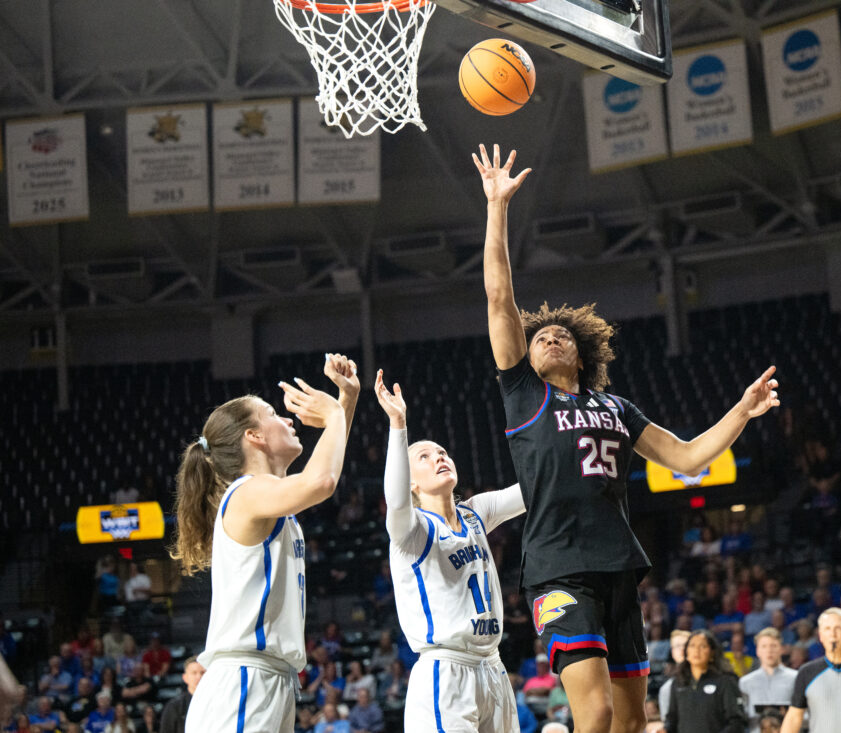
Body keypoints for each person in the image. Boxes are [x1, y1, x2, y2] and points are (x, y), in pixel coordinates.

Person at [475, 142, 780, 733]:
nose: (551, 338)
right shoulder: (524, 396)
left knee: (632, 722)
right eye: (541, 337)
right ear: (526, 357)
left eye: (563, 335)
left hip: (617, 563)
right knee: (593, 714)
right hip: (558, 568)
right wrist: (497, 207)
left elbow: (687, 457)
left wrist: (742, 411)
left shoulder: (616, 406)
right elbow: (498, 297)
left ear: (583, 354)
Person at [176, 353, 359, 732]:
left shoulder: (265, 497)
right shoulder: (246, 493)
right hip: (243, 682)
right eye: (274, 414)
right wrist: (333, 414)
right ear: (254, 437)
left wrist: (347, 399)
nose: (289, 419)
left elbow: (322, 472)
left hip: (266, 680)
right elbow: (321, 481)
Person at [374, 370, 526, 732]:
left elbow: (535, 488)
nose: (439, 457)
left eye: (442, 453)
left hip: (493, 667)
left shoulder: (474, 513)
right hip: (446, 670)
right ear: (410, 481)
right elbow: (396, 500)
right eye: (424, 456)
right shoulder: (412, 530)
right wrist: (398, 424)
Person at [664, 631, 746, 733]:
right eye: (692, 646)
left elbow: (736, 722)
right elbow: (672, 719)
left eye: (703, 646)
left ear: (712, 653)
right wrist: (665, 729)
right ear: (686, 652)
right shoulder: (678, 682)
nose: (696, 650)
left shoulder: (726, 681)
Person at [738, 628, 797, 733]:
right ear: (757, 651)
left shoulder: (795, 678)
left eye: (773, 646)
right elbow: (742, 715)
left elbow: (804, 713)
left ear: (781, 649)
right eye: (764, 646)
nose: (769, 651)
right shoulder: (745, 682)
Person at [159, 657, 203, 733]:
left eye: (202, 673)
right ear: (185, 677)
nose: (199, 677)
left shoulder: (217, 702)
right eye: (194, 673)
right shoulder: (174, 706)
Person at [657, 630, 690, 721]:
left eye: (686, 645)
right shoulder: (667, 688)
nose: (682, 649)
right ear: (672, 652)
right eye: (677, 646)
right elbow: (667, 722)